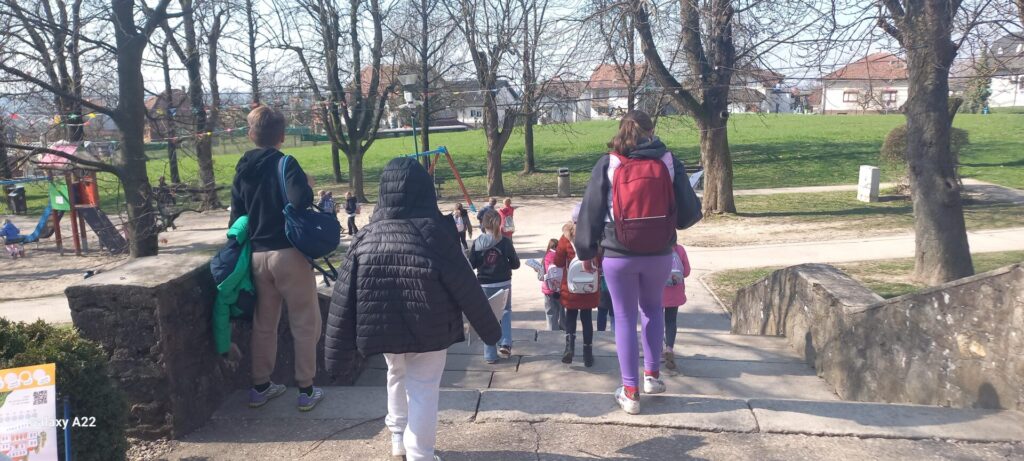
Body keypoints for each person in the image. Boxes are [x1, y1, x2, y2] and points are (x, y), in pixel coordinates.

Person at [325, 157, 500, 461]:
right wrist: (490, 331)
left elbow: (342, 297)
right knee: (423, 389)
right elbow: (466, 286)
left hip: (382, 328)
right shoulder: (435, 234)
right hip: (431, 327)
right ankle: (420, 454)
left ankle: (398, 438)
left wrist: (335, 356)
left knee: (395, 374)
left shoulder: (365, 237)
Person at [575, 110, 700, 415]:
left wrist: (586, 252)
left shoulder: (608, 163)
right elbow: (688, 213)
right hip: (660, 253)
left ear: (621, 131)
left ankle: (630, 392)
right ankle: (652, 377)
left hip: (618, 253)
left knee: (624, 317)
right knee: (654, 310)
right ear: (651, 131)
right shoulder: (668, 161)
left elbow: (590, 211)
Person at [229, 105, 324, 411]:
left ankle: (260, 386)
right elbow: (300, 200)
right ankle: (306, 389)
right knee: (304, 321)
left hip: (258, 256)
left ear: (250, 135)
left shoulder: (242, 169)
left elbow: (237, 217)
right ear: (282, 135)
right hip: (288, 253)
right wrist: (307, 185)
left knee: (264, 323)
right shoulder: (286, 163)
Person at [469, 208, 520, 364]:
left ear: (483, 224)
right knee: (505, 312)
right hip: (503, 282)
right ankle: (505, 342)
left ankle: (490, 354)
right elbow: (516, 264)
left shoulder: (478, 243)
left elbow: (471, 264)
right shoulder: (505, 242)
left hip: (484, 284)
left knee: (488, 317)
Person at [554, 220, 598, 367]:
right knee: (587, 319)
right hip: (588, 286)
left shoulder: (565, 239)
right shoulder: (593, 236)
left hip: (571, 286)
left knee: (571, 316)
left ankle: (569, 347)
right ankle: (588, 354)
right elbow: (600, 259)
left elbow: (558, 262)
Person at [661, 243, 690, 371]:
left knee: (656, 320)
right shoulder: (680, 249)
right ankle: (669, 348)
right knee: (671, 321)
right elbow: (686, 271)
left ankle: (657, 349)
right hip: (675, 292)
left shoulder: (656, 247)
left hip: (657, 291)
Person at [540, 238, 563, 331]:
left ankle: (552, 330)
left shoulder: (546, 257)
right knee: (561, 311)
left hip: (548, 289)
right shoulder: (561, 257)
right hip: (560, 289)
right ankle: (564, 328)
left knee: (550, 312)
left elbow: (541, 276)